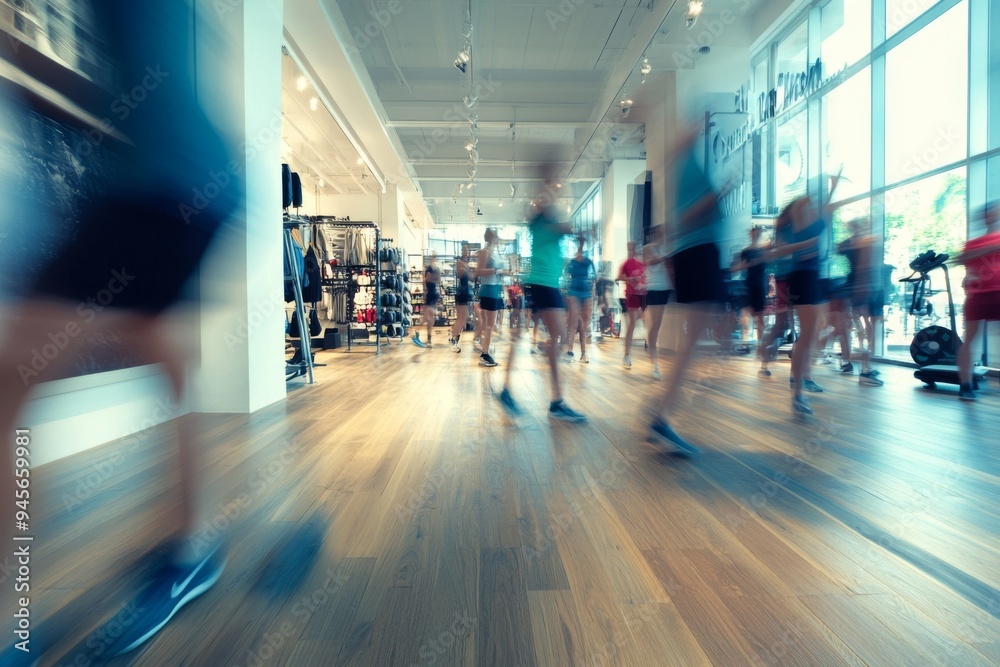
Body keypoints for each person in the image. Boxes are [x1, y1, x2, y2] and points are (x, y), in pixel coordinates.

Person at [1, 2, 238, 660]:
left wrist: (25, 64)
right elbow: (133, 82)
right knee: (163, 353)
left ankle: (14, 615)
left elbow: (137, 84)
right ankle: (193, 545)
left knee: (11, 375)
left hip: (157, 186)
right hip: (186, 180)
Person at [498, 163, 586, 422]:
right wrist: (575, 228)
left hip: (545, 282)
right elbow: (562, 228)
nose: (557, 187)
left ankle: (523, 392)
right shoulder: (543, 214)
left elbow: (562, 229)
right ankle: (555, 400)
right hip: (543, 282)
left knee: (546, 337)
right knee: (557, 336)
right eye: (553, 183)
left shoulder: (544, 214)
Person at [955, 201, 1000, 401]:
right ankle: (965, 385)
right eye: (989, 213)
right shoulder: (973, 242)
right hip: (979, 295)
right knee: (970, 340)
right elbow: (963, 260)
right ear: (984, 217)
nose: (992, 215)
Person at [840, 217, 884, 386]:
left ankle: (867, 367)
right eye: (859, 224)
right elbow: (861, 265)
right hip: (862, 286)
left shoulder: (862, 241)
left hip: (870, 286)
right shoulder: (858, 242)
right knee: (862, 329)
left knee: (868, 328)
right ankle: (865, 370)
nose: (864, 226)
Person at [731, 226, 769, 376]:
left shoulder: (764, 250)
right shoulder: (746, 251)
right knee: (746, 315)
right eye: (754, 232)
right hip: (749, 284)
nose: (756, 234)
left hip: (760, 284)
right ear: (751, 234)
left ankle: (760, 345)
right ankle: (746, 343)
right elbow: (738, 268)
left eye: (758, 232)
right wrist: (748, 264)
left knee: (760, 317)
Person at [642, 225, 673, 379]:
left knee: (658, 325)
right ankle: (654, 362)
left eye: (663, 231)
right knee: (654, 324)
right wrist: (664, 257)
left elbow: (669, 269)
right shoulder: (648, 248)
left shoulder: (666, 249)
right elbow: (647, 262)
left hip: (664, 288)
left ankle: (653, 357)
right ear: (654, 233)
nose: (662, 234)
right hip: (653, 288)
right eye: (659, 231)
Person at [565, 236, 596, 363]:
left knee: (583, 324)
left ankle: (584, 353)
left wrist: (592, 295)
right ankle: (570, 350)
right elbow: (566, 278)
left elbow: (594, 279)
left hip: (585, 293)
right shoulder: (572, 263)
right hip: (574, 292)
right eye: (579, 244)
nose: (580, 247)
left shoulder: (588, 262)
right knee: (573, 324)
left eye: (582, 244)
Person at [476, 229, 504, 367]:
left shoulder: (494, 253)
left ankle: (485, 352)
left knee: (489, 325)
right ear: (493, 238)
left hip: (494, 290)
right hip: (488, 290)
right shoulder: (485, 252)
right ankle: (485, 354)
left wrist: (501, 272)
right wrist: (496, 270)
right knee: (489, 325)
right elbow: (478, 271)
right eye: (496, 237)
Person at [617, 241, 646, 369]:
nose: (632, 250)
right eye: (630, 248)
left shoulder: (643, 264)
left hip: (643, 295)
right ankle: (627, 356)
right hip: (631, 294)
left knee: (646, 319)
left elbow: (646, 278)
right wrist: (630, 280)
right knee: (632, 323)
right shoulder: (626, 263)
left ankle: (651, 354)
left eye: (633, 247)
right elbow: (619, 277)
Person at [412, 253, 440, 348]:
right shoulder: (429, 269)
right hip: (430, 295)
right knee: (427, 318)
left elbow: (437, 279)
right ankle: (417, 333)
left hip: (433, 295)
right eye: (433, 258)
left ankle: (427, 339)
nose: (433, 260)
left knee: (430, 319)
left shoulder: (434, 269)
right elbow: (428, 280)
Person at [450, 245, 473, 352]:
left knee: (464, 318)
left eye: (467, 251)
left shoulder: (466, 264)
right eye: (464, 250)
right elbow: (461, 274)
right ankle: (453, 339)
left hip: (466, 292)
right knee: (461, 318)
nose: (466, 252)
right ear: (461, 252)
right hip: (462, 292)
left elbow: (472, 278)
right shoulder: (460, 263)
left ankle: (455, 337)